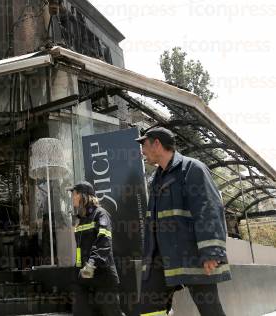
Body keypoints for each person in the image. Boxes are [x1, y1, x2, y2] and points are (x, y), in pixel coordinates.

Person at [135, 127, 230, 316]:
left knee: (209, 308)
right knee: (148, 308)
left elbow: (209, 209)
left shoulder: (192, 168)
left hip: (192, 255)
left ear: (157, 144)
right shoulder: (156, 179)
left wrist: (211, 251)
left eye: (144, 145)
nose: (142, 151)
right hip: (160, 258)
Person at [68, 181, 124, 316]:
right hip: (84, 279)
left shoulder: (101, 214)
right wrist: (78, 270)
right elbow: (79, 249)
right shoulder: (81, 220)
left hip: (103, 277)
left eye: (74, 194)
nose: (72, 198)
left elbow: (104, 243)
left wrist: (91, 264)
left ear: (83, 196)